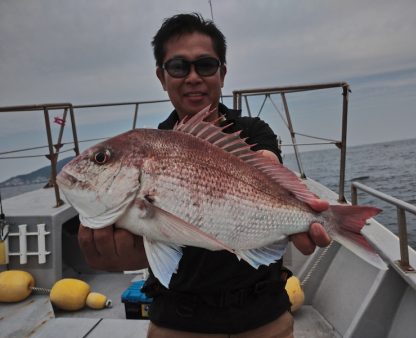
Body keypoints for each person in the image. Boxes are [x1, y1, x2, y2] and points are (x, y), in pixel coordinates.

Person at [78, 13, 331, 338]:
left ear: (222, 73)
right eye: (179, 67)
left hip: (264, 317)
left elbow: (266, 164)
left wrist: (284, 193)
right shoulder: (152, 145)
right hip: (178, 323)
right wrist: (122, 253)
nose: (193, 77)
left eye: (206, 65)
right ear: (162, 75)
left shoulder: (254, 133)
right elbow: (154, 241)